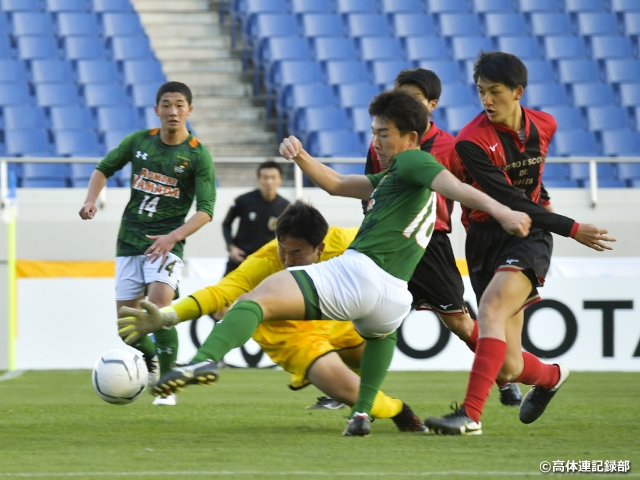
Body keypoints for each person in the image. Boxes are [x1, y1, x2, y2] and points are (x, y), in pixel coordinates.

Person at [118, 90, 531, 437]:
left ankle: (206, 358)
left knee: (255, 300)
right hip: (393, 297)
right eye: (373, 134)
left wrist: (503, 212)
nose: (377, 143)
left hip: (362, 274)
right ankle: (363, 413)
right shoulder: (393, 179)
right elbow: (335, 184)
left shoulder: (413, 161)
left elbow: (455, 187)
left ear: (410, 136)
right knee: (378, 341)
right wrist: (300, 156)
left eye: (383, 134)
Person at [424, 52, 616, 436]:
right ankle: (551, 375)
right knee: (509, 367)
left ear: (518, 92)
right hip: (483, 238)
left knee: (492, 308)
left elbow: (530, 192)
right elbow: (508, 199)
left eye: (494, 92)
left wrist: (550, 216)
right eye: (481, 92)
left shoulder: (546, 124)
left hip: (528, 236)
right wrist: (572, 227)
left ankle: (470, 415)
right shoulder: (471, 142)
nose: (487, 100)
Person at [131, 200, 427, 431]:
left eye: (296, 253)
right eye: (283, 249)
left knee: (375, 346)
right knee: (354, 393)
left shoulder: (348, 242)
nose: (286, 260)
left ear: (321, 248)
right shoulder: (266, 258)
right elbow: (220, 293)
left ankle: (356, 400)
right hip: (293, 337)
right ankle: (399, 410)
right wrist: (168, 316)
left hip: (336, 320)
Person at [365, 68, 522, 406]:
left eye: (415, 99)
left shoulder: (453, 146)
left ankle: (503, 373)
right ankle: (345, 391)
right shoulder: (381, 142)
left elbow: (469, 191)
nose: (406, 104)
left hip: (428, 241)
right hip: (387, 244)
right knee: (358, 310)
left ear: (432, 105)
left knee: (460, 323)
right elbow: (370, 190)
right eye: (401, 96)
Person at [79, 81, 216, 406]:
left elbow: (206, 212)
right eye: (166, 104)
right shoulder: (138, 142)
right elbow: (103, 169)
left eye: (179, 104)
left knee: (158, 308)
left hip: (167, 244)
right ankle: (153, 361)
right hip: (130, 241)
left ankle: (167, 384)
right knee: (127, 329)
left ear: (189, 110)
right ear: (157, 110)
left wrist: (173, 237)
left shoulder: (197, 155)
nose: (173, 111)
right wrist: (90, 200)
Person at [222, 160, 289, 275]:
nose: (269, 182)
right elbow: (226, 224)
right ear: (259, 179)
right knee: (223, 292)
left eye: (273, 177)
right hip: (241, 259)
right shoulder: (243, 200)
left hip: (268, 262)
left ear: (280, 180)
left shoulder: (286, 206)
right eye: (265, 177)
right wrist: (231, 247)